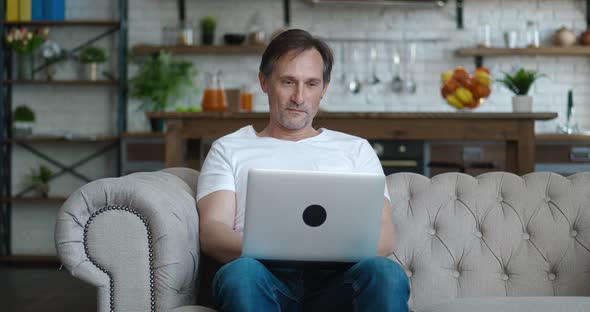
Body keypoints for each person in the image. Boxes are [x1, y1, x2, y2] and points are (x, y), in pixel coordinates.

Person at [196, 29, 410, 311]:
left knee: (386, 273)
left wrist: (322, 250)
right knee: (241, 274)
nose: (299, 97)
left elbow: (385, 236)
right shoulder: (229, 148)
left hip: (340, 280)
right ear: (264, 81)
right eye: (288, 82)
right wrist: (282, 249)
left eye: (311, 84)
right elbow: (213, 233)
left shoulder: (355, 149)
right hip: (261, 276)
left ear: (324, 88)